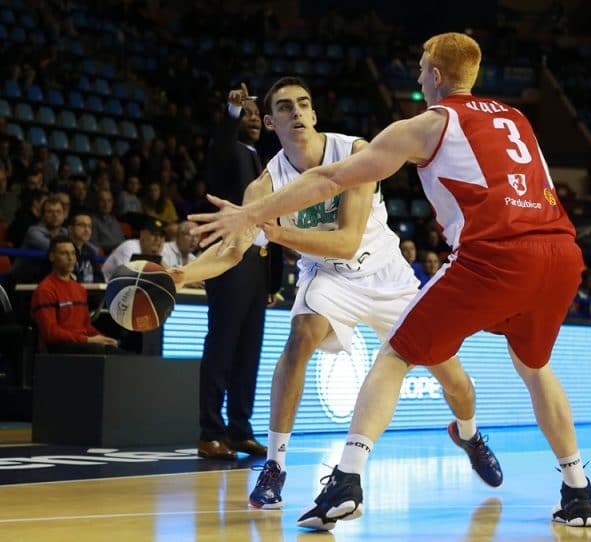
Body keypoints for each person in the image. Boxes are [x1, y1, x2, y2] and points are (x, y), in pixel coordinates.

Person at [190, 33, 591, 529]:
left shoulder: (428, 124)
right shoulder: (516, 118)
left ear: (436, 76)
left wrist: (251, 216)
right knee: (535, 369)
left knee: (396, 355)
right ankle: (578, 493)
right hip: (561, 254)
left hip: (488, 257)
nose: (419, 76)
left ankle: (347, 480)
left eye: (422, 68)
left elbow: (329, 180)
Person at [175, 76, 500, 507]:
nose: (296, 112)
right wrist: (180, 275)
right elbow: (233, 250)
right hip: (327, 276)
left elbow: (347, 241)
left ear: (314, 114)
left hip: (386, 275)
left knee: (454, 379)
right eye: (284, 107)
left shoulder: (355, 152)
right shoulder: (264, 186)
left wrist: (275, 232)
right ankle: (275, 465)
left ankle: (469, 433)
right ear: (270, 122)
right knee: (300, 337)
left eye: (302, 104)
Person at [192, 83, 283, 460]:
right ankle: (210, 432)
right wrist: (230, 113)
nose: (253, 119)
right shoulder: (229, 152)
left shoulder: (261, 160)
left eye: (255, 115)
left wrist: (272, 280)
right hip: (231, 260)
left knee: (249, 351)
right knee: (223, 346)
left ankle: (239, 429)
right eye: (246, 114)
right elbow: (222, 145)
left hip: (257, 265)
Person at [31, 236, 122, 354]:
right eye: (64, 253)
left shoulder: (79, 289)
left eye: (73, 253)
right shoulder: (45, 290)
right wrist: (87, 340)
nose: (70, 258)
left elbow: (86, 326)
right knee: (100, 350)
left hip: (81, 343)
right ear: (52, 257)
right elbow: (51, 333)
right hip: (58, 348)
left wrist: (103, 338)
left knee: (119, 352)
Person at [101, 215, 171, 281]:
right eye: (154, 234)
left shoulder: (161, 252)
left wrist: (158, 258)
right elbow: (127, 278)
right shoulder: (130, 247)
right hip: (104, 286)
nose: (158, 239)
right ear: (142, 235)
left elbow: (171, 279)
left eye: (161, 236)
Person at [67, 212, 103, 284]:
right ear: (70, 229)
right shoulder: (63, 248)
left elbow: (100, 278)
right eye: (81, 225)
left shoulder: (90, 251)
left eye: (89, 226)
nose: (87, 230)